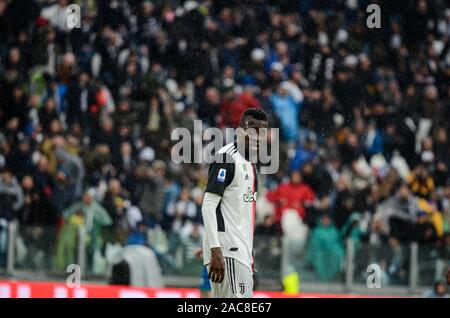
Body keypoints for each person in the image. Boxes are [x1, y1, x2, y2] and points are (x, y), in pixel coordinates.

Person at [202, 108, 268, 298]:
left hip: (241, 254)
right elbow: (208, 205)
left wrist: (250, 259)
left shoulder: (250, 164)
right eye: (252, 129)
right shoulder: (226, 157)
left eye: (261, 131)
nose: (257, 136)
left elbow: (241, 216)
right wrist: (215, 248)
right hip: (227, 251)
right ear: (239, 131)